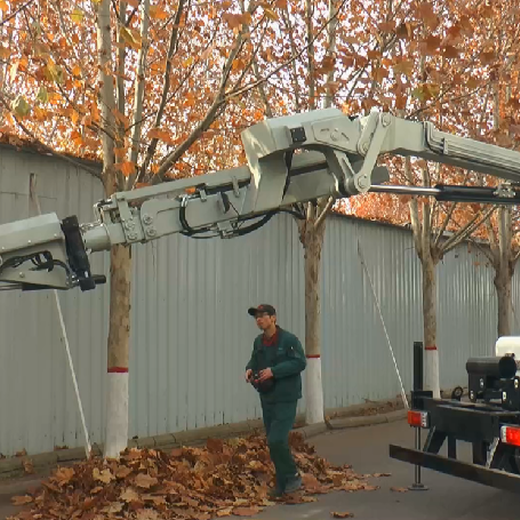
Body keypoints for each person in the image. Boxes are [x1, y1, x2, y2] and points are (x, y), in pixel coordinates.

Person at [244, 304, 307, 497]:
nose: (259, 320)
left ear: (273, 318)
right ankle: (282, 484)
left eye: (263, 316)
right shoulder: (259, 342)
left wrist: (274, 371)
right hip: (268, 397)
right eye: (256, 317)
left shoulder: (288, 340)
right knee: (272, 442)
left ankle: (293, 475)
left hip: (286, 397)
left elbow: (300, 362)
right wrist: (249, 369)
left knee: (277, 439)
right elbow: (255, 360)